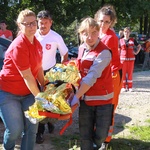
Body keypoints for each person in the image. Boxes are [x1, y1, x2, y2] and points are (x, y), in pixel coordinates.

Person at [0, 9, 46, 150]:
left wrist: (46, 86)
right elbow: (27, 75)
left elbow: (38, 68)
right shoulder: (18, 45)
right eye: (27, 24)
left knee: (32, 129)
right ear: (20, 25)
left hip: (28, 94)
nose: (32, 27)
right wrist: (40, 97)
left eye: (33, 23)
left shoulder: (37, 44)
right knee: (15, 130)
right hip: (8, 93)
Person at [70, 17, 114, 150]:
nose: (90, 37)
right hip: (86, 99)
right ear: (80, 34)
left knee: (101, 134)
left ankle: (96, 146)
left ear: (99, 32)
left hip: (103, 101)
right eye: (86, 33)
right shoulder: (82, 48)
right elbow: (79, 71)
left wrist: (76, 96)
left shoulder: (104, 52)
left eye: (94, 32)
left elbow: (91, 77)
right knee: (84, 133)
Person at [35, 10, 68, 144]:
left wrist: (60, 69)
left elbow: (64, 54)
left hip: (50, 73)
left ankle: (40, 132)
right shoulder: (33, 35)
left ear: (51, 23)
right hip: (34, 73)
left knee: (46, 101)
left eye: (46, 23)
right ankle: (47, 124)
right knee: (37, 101)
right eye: (40, 23)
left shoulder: (56, 37)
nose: (43, 26)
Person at [94, 4, 122, 149]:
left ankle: (106, 139)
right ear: (96, 19)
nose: (103, 24)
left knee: (109, 107)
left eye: (107, 22)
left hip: (113, 75)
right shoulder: (98, 34)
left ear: (111, 22)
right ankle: (98, 135)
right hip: (103, 74)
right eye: (101, 21)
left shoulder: (110, 38)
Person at [119, 27, 141, 92]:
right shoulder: (120, 40)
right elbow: (118, 50)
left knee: (130, 73)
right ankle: (123, 87)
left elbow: (139, 46)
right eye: (125, 32)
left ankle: (130, 87)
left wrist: (136, 52)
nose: (127, 33)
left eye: (128, 32)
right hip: (123, 59)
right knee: (123, 73)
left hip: (131, 59)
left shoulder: (133, 40)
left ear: (130, 33)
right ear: (123, 32)